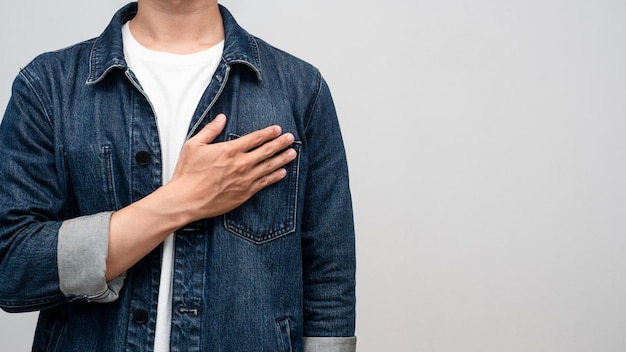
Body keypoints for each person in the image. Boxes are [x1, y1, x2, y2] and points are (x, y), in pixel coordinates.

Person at [0, 1, 356, 351]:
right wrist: (181, 199)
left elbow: (328, 280)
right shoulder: (48, 86)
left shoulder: (300, 89)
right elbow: (12, 268)